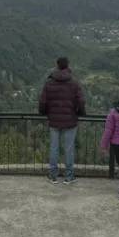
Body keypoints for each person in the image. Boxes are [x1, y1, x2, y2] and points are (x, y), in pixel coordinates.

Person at [38, 56, 87, 185]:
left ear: (57, 66)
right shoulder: (75, 83)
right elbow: (81, 101)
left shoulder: (49, 82)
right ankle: (68, 177)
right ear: (67, 66)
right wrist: (80, 114)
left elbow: (43, 101)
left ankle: (53, 176)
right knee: (68, 149)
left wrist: (43, 112)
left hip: (54, 120)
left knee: (54, 148)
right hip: (70, 121)